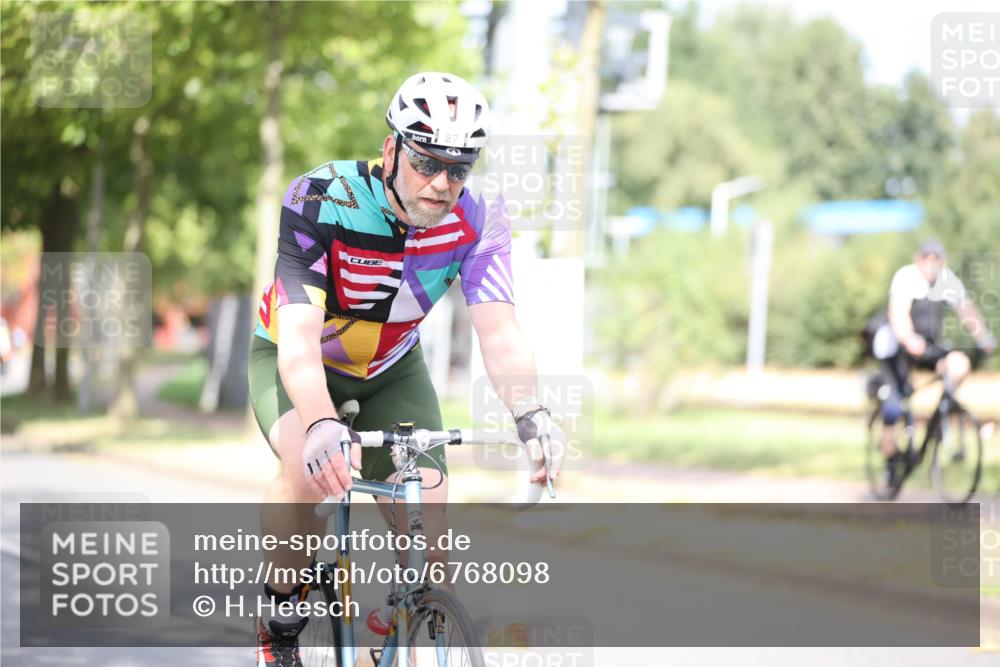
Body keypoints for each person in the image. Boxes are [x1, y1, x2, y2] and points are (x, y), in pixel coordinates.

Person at [247, 71, 564, 667]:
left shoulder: (479, 219)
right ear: (391, 149)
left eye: (459, 167)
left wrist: (531, 413)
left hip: (392, 368)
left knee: (430, 538)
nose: (442, 184)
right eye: (426, 163)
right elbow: (297, 336)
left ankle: (392, 639)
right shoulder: (320, 196)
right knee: (308, 468)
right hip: (299, 354)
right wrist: (319, 424)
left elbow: (498, 330)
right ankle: (282, 619)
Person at [872, 238, 995, 484]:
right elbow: (898, 313)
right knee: (895, 404)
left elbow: (965, 309)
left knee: (959, 364)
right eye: (927, 258)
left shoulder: (947, 280)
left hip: (927, 346)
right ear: (918, 259)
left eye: (936, 258)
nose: (931, 263)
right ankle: (890, 456)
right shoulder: (906, 278)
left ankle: (942, 417)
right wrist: (908, 338)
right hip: (896, 347)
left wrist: (983, 337)